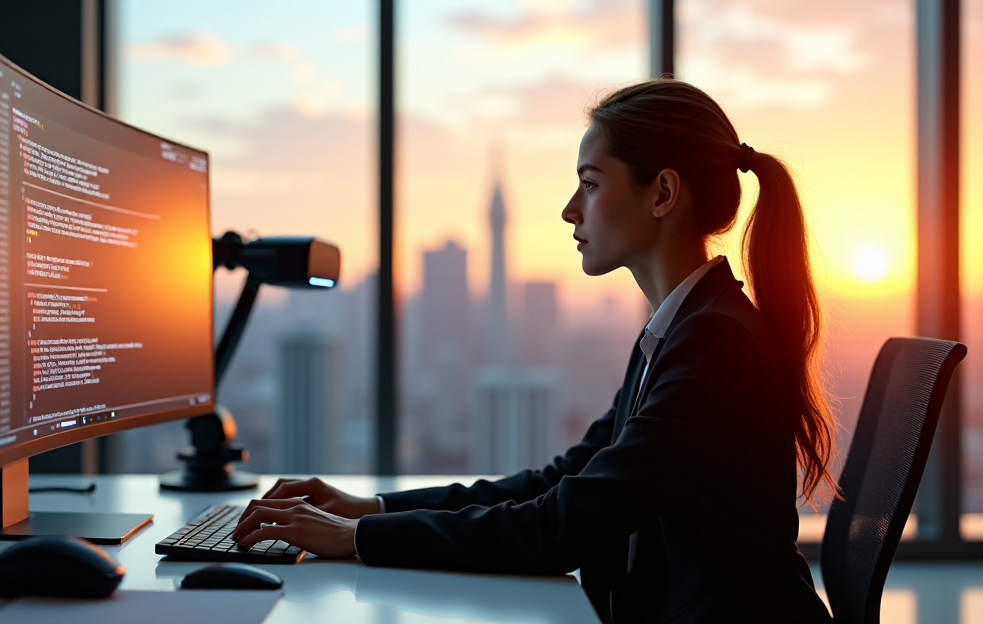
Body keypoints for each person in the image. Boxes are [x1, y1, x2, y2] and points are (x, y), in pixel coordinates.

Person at [230, 79, 836, 623]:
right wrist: (370, 509)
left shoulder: (714, 341)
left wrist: (357, 536)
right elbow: (562, 481)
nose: (570, 210)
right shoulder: (679, 329)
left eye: (590, 184)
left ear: (662, 193)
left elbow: (561, 527)